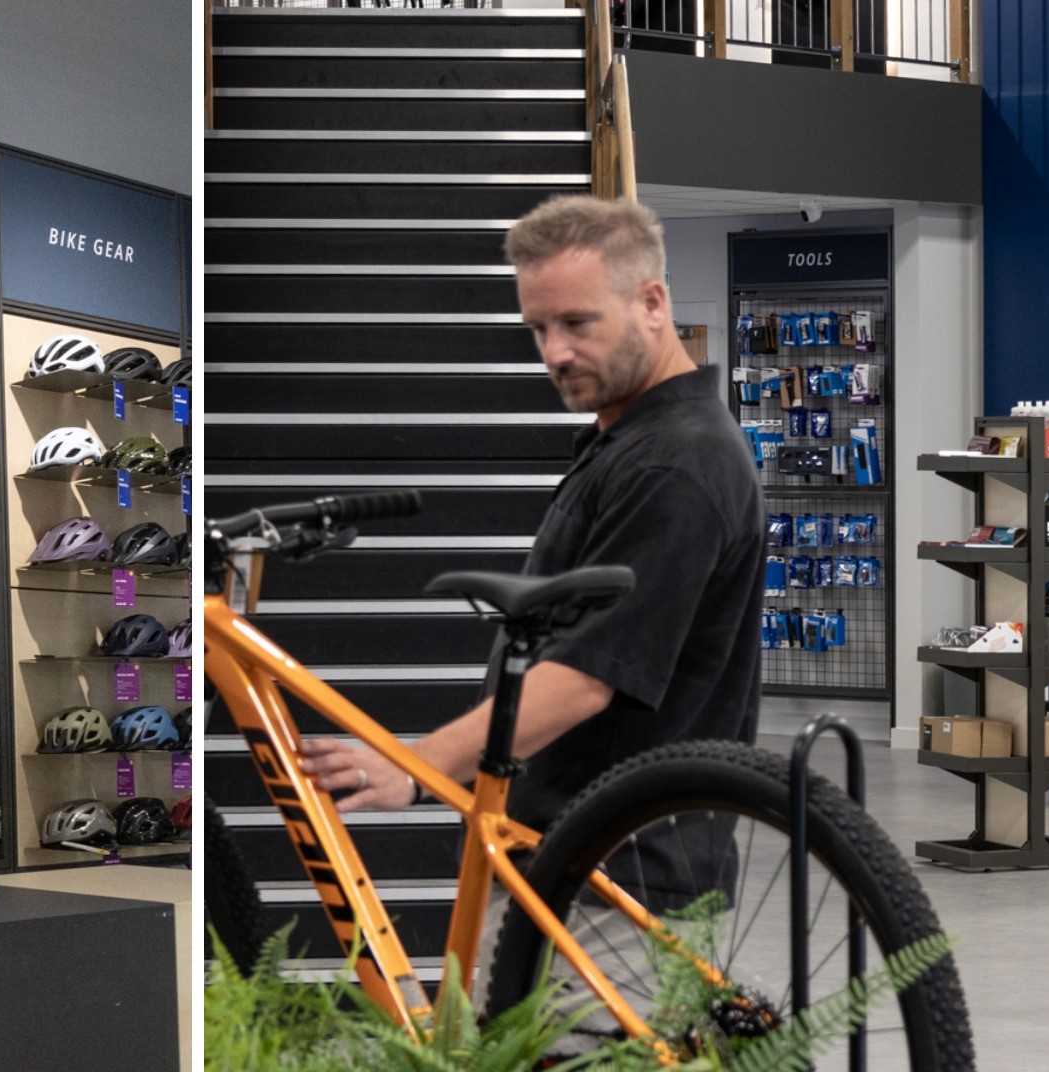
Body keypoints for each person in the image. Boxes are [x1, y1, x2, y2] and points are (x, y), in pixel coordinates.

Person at [297, 194, 766, 836]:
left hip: (619, 871)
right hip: (560, 842)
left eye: (577, 323)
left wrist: (413, 766)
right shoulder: (628, 440)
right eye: (539, 328)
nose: (555, 353)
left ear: (653, 304)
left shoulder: (676, 465)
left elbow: (588, 676)